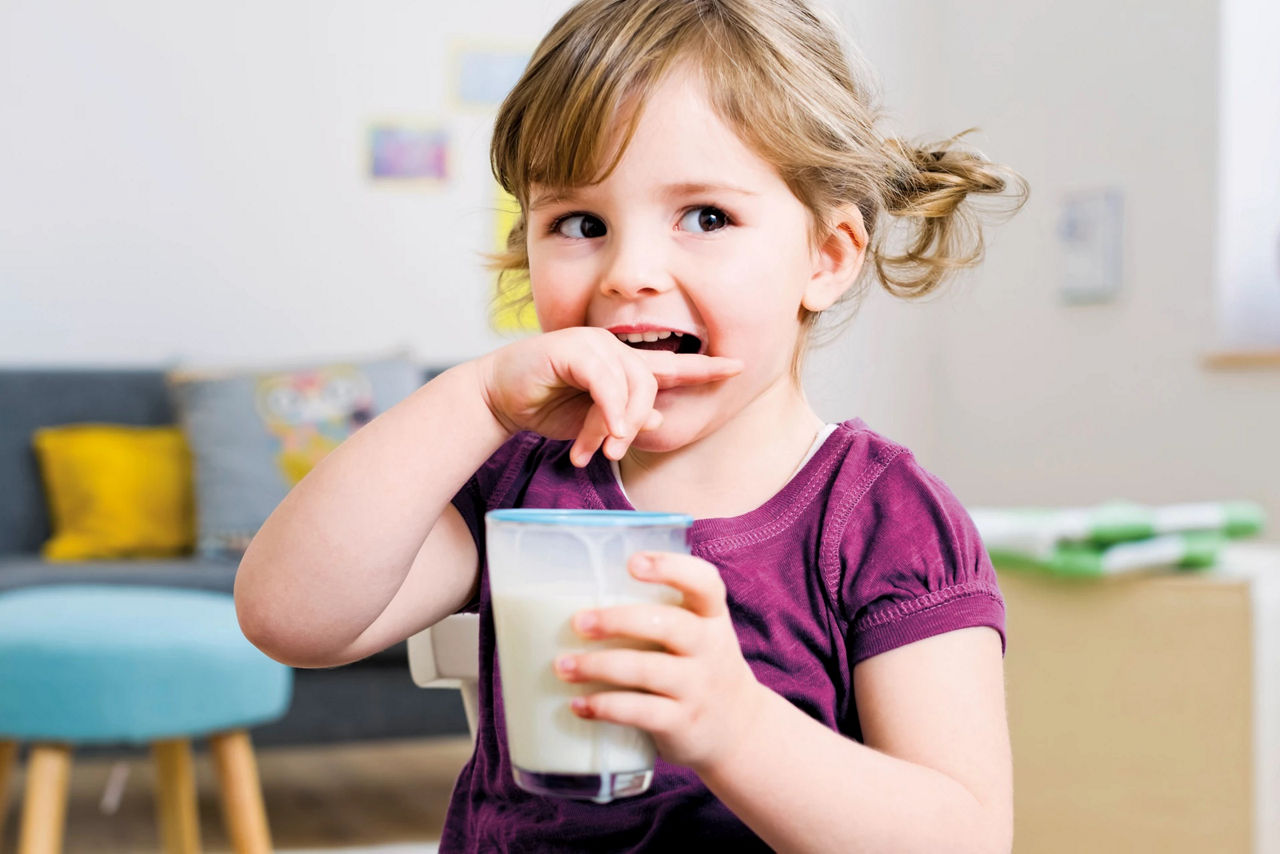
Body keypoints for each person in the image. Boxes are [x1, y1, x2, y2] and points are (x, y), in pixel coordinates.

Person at [235, 0, 1026, 850]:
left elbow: (963, 838)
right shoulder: (525, 477)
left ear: (826, 257)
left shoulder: (884, 521)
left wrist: (736, 728)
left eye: (706, 217)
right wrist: (477, 404)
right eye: (580, 224)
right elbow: (289, 618)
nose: (630, 273)